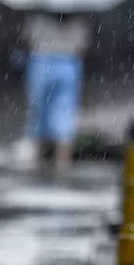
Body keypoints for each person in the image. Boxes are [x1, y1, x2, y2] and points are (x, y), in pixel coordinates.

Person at [21, 11, 91, 171]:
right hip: (69, 63)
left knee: (39, 108)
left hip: (42, 60)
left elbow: (29, 38)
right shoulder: (78, 19)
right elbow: (83, 44)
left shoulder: (38, 16)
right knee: (65, 111)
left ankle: (38, 155)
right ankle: (63, 158)